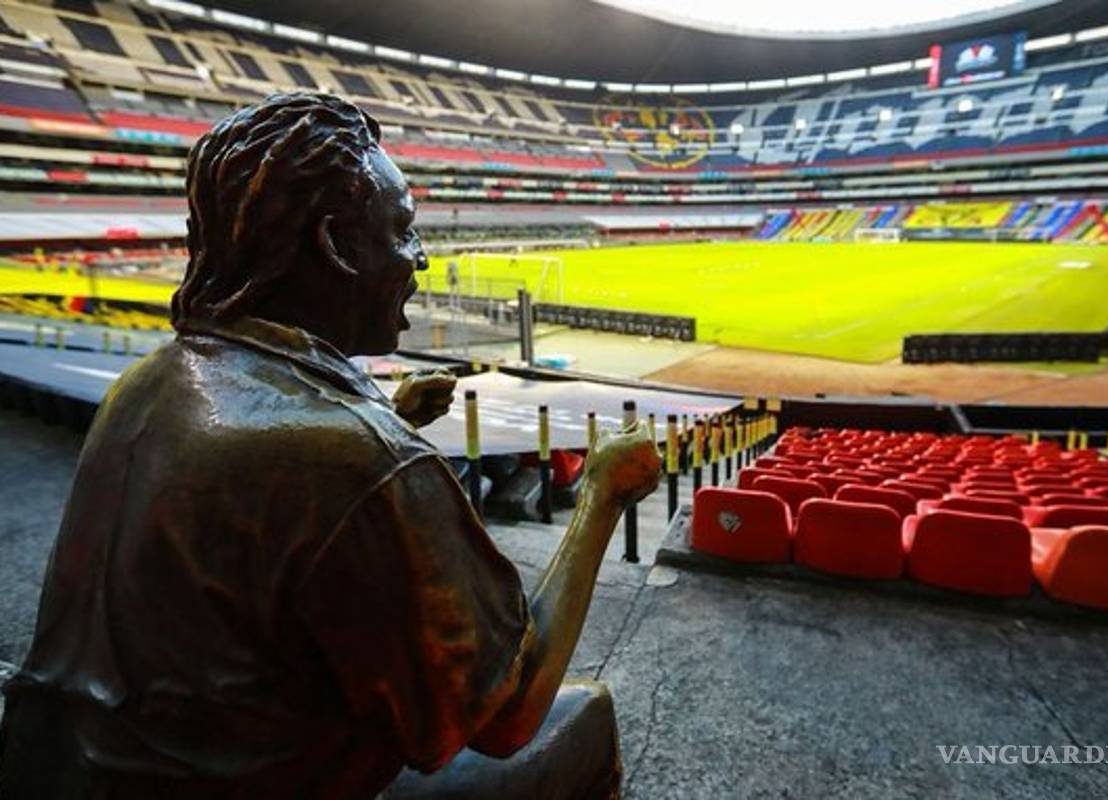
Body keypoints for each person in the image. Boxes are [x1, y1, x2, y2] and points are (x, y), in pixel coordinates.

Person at [0, 92, 660, 799]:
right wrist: (601, 494)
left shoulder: (146, 384)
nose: (421, 260)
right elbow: (508, 714)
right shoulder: (359, 463)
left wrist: (385, 419)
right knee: (583, 712)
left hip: (65, 774)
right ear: (335, 244)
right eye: (403, 231)